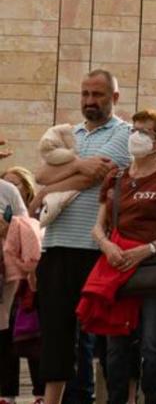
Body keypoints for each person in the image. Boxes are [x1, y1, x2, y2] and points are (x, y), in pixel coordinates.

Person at [36, 69, 130, 404]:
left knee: (107, 338)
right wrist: (78, 165)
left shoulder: (124, 134)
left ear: (114, 98)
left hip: (98, 250)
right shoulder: (68, 133)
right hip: (56, 245)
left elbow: (95, 178)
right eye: (85, 94)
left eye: (98, 95)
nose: (90, 101)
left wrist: (48, 187)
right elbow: (42, 172)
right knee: (56, 335)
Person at [92, 110, 156, 404]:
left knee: (153, 345)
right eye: (133, 129)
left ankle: (154, 399)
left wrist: (147, 250)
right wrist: (107, 245)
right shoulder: (116, 176)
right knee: (115, 347)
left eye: (144, 132)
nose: (135, 135)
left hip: (153, 270)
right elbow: (99, 226)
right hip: (117, 267)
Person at [0, 167, 40, 404]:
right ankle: (6, 394)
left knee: (30, 333)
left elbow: (26, 226)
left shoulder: (8, 193)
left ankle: (40, 393)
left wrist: (9, 228)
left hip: (17, 274)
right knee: (3, 336)